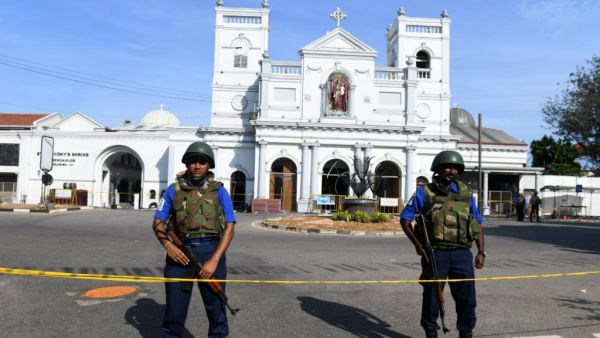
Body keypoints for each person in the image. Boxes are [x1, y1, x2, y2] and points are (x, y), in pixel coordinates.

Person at [152, 141, 236, 338]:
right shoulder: (173, 191)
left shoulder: (220, 191)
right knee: (174, 313)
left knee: (217, 313)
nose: (197, 166)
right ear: (187, 164)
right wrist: (168, 246)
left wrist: (214, 260)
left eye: (202, 162)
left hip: (211, 252)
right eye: (193, 162)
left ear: (209, 166)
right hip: (180, 256)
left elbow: (230, 227)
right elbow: (157, 223)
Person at [400, 150, 485, 338]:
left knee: (467, 298)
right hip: (436, 253)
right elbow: (405, 220)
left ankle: (466, 332)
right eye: (447, 167)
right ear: (438, 169)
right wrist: (418, 246)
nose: (451, 171)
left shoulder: (465, 193)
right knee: (432, 298)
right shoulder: (425, 192)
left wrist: (481, 251)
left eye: (455, 168)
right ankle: (431, 332)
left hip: (462, 253)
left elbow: (477, 222)